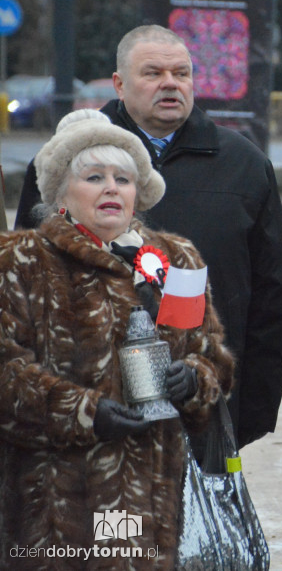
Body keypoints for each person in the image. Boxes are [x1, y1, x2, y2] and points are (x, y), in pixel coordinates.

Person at [14, 25, 282, 448]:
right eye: (153, 73)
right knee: (113, 519)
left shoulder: (244, 165)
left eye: (181, 73)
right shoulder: (61, 163)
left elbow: (272, 296)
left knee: (186, 517)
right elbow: (23, 295)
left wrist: (247, 411)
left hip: (201, 412)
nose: (170, 84)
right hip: (86, 426)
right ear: (120, 84)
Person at [0, 110, 235, 568]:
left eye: (124, 179)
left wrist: (195, 380)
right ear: (61, 195)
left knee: (127, 552)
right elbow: (6, 372)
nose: (112, 188)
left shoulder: (174, 259)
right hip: (56, 504)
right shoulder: (20, 261)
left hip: (151, 493)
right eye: (94, 176)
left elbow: (209, 356)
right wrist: (86, 411)